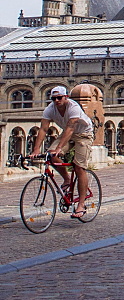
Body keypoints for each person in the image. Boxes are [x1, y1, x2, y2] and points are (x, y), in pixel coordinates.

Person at [29, 86, 94, 219]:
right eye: (54, 98)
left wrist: (60, 148)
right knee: (51, 155)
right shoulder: (50, 109)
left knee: (79, 167)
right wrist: (36, 149)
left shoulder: (73, 107)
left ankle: (81, 205)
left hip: (84, 134)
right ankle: (67, 179)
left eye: (59, 98)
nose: (57, 101)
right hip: (67, 134)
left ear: (66, 97)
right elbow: (43, 129)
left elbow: (70, 128)